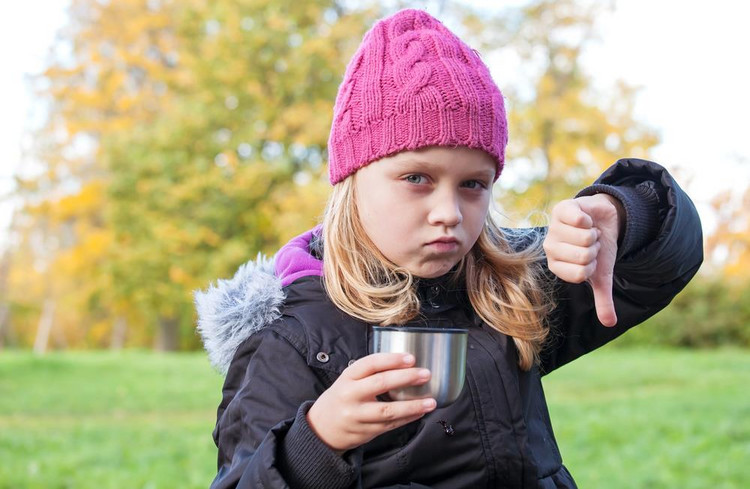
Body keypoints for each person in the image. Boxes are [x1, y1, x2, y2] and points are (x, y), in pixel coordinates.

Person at [195, 8, 702, 489]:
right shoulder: (291, 338)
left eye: (473, 184)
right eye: (416, 177)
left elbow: (666, 258)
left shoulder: (508, 289)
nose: (449, 212)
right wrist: (316, 442)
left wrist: (619, 216)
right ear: (351, 180)